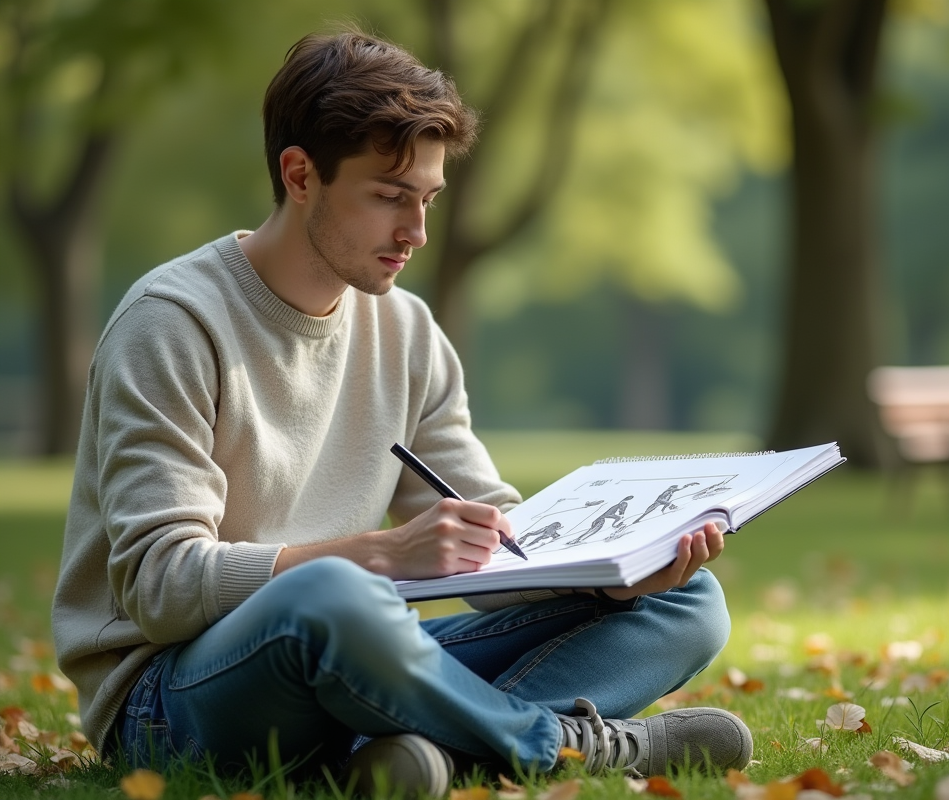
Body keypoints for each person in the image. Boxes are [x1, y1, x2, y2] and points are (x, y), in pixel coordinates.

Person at [50, 26, 751, 798]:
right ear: (300, 175)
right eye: (389, 197)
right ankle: (556, 745)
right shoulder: (172, 323)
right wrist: (381, 556)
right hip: (170, 700)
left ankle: (426, 752)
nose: (415, 232)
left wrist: (609, 577)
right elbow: (160, 586)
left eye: (428, 199)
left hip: (354, 656)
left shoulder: (408, 331)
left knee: (687, 602)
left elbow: (491, 542)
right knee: (335, 597)